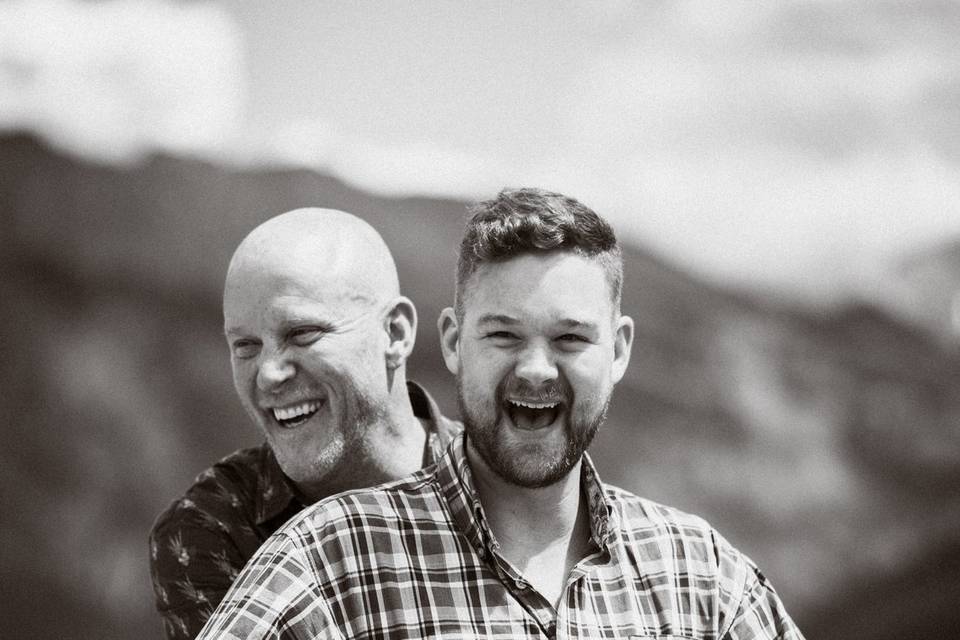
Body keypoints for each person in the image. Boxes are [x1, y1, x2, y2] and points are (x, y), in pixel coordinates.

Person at [195, 188, 805, 639]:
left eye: (570, 339)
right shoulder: (325, 564)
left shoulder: (703, 578)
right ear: (455, 344)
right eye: (504, 336)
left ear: (618, 350)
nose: (536, 369)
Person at [148, 208, 461, 640]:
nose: (269, 373)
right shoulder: (216, 526)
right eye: (246, 346)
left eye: (302, 334)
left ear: (394, 333)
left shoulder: (508, 486)